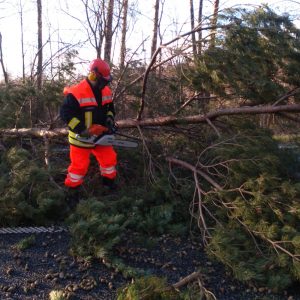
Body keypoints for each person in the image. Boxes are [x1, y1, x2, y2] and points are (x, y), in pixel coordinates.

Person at [60, 58, 117, 191]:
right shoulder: (76, 92)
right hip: (80, 138)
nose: (104, 84)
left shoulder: (106, 91)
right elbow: (65, 114)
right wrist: (82, 129)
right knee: (78, 168)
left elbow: (110, 109)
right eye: (103, 81)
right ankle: (72, 193)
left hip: (101, 135)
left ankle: (108, 186)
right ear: (94, 74)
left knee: (109, 161)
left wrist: (109, 120)